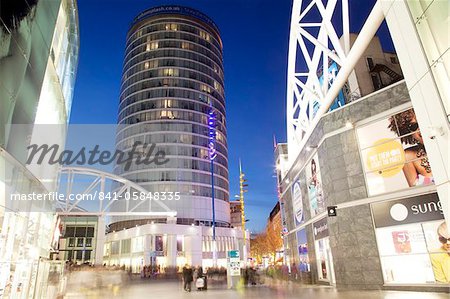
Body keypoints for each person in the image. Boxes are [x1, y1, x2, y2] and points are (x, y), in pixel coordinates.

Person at [388, 109, 433, 187]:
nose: (420, 129)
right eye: (413, 126)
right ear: (408, 132)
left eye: (422, 122)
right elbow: (418, 193)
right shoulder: (408, 156)